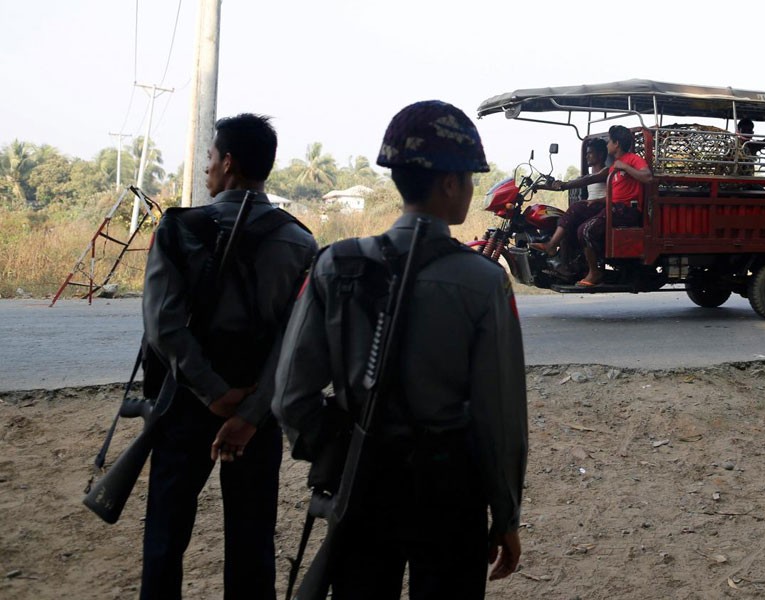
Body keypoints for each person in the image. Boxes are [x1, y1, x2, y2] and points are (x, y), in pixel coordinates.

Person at [272, 100, 528, 599]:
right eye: (471, 178)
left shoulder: (334, 265)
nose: (472, 189)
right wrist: (506, 511)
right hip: (451, 490)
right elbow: (500, 417)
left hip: (362, 480)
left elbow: (288, 396)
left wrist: (336, 448)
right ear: (449, 183)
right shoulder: (483, 282)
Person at [141, 113, 318, 599]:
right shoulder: (302, 242)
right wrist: (250, 411)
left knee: (165, 538)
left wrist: (214, 394)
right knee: (252, 538)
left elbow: (163, 327)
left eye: (211, 157)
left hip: (184, 406)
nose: (206, 168)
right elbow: (297, 339)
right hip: (257, 416)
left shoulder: (179, 229)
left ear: (229, 163)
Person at [577, 125, 652, 286]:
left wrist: (625, 167)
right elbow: (612, 193)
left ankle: (595, 272)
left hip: (626, 210)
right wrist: (596, 201)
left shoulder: (632, 159)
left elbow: (647, 177)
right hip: (614, 208)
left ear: (616, 143)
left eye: (609, 141)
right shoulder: (614, 165)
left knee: (586, 230)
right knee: (582, 225)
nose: (607, 145)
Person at [529, 138, 610, 263]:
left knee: (575, 208)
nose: (587, 156)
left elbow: (586, 181)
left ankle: (551, 245)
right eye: (586, 153)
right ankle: (564, 266)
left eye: (590, 153)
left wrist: (564, 185)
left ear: (600, 155)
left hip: (600, 207)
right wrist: (539, 186)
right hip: (590, 207)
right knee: (560, 220)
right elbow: (573, 183)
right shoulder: (589, 175)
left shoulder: (606, 171)